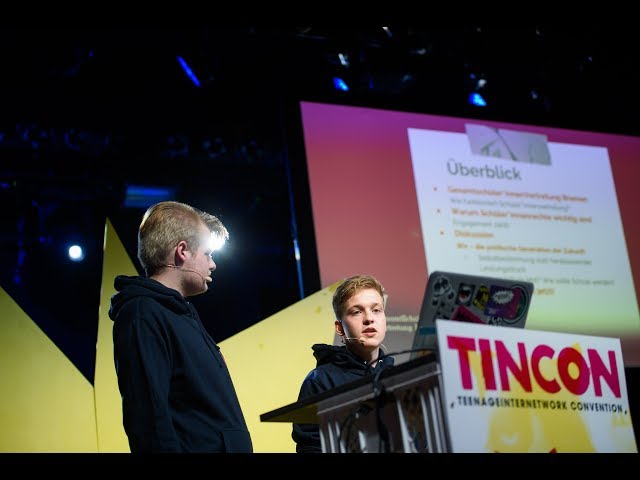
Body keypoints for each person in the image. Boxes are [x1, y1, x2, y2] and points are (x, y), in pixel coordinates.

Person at [109, 200, 253, 453]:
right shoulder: (143, 314)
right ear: (182, 251)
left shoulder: (181, 313)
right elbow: (148, 420)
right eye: (207, 254)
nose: (212, 264)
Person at [292, 274, 395, 453]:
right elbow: (311, 447)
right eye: (356, 312)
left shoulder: (396, 375)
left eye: (376, 310)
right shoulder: (319, 381)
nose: (369, 318)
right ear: (340, 328)